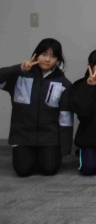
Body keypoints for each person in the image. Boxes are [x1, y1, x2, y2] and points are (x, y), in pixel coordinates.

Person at [1, 39, 72, 176]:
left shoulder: (63, 83)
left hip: (49, 138)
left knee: (49, 170)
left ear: (58, 60)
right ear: (36, 55)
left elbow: (66, 118)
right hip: (22, 136)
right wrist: (19, 68)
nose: (47, 59)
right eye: (44, 54)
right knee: (23, 171)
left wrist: (65, 147)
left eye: (53, 56)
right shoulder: (19, 77)